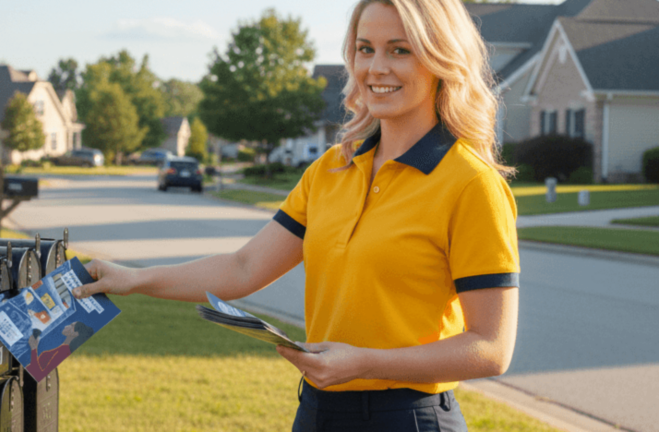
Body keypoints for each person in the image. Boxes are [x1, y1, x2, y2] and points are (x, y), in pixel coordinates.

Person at [73, 0, 520, 429]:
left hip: (409, 419)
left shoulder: (471, 183)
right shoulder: (332, 169)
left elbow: (491, 347)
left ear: (439, 59)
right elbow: (243, 267)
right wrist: (132, 279)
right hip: (317, 413)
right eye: (365, 49)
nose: (375, 68)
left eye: (399, 50)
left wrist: (365, 361)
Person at [26, 322, 94, 378]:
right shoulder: (63, 347)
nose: (66, 326)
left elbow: (39, 376)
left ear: (76, 333)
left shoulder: (64, 351)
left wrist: (34, 348)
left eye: (71, 325)